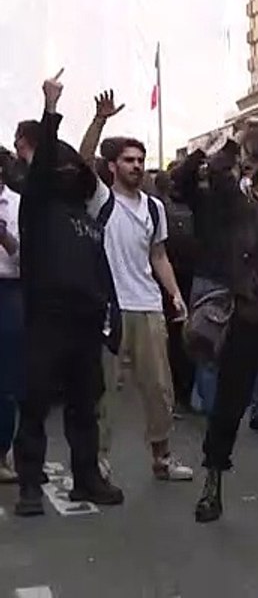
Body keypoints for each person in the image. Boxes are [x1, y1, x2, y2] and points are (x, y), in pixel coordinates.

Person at [173, 142, 258, 523]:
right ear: (256, 184)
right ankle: (212, 483)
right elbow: (216, 175)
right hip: (245, 319)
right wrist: (234, 146)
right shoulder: (240, 212)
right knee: (229, 405)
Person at [12, 71, 123, 516]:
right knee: (35, 403)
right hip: (46, 318)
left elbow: (85, 162)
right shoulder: (38, 203)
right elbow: (43, 170)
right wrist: (51, 108)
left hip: (84, 320)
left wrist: (106, 311)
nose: (66, 171)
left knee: (84, 405)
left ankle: (87, 479)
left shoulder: (87, 210)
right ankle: (30, 488)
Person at [92, 134, 193, 482]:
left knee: (159, 387)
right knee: (104, 388)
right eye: (128, 160)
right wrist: (100, 120)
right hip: (111, 307)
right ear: (112, 166)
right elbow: (81, 157)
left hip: (148, 304)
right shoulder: (100, 199)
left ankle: (162, 457)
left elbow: (158, 254)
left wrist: (175, 294)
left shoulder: (154, 207)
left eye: (140, 159)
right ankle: (98, 459)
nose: (136, 166)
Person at [0, 157, 20, 484]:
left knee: (6, 382)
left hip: (9, 290)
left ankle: (2, 454)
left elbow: (25, 255)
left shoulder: (18, 205)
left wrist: (3, 236)